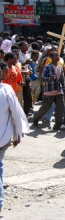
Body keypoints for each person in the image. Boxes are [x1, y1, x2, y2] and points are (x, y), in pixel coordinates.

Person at [0, 62, 28, 212]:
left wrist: (18, 132)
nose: (5, 74)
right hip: (2, 137)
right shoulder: (6, 90)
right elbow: (16, 114)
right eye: (4, 72)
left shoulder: (7, 89)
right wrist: (18, 133)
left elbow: (16, 113)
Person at [32, 52, 65, 130]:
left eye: (58, 55)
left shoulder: (60, 67)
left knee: (60, 108)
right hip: (49, 90)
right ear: (51, 57)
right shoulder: (47, 67)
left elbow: (62, 79)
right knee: (45, 107)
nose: (58, 57)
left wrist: (64, 90)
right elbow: (43, 78)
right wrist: (49, 78)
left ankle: (57, 125)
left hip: (58, 90)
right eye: (56, 55)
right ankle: (36, 118)